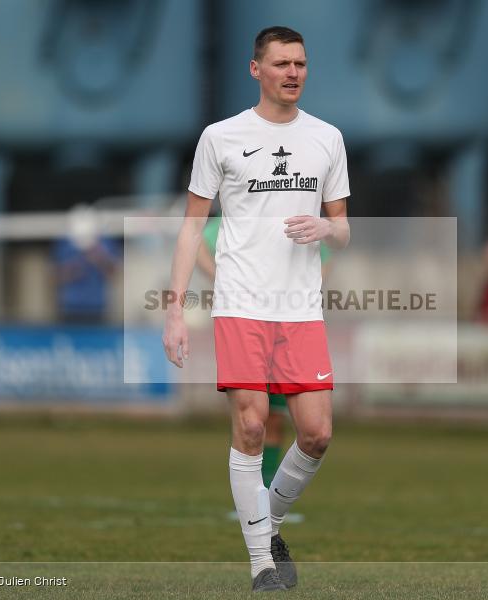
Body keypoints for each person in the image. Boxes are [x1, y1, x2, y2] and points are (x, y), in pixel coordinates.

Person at [162, 26, 350, 592]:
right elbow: (191, 226)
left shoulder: (327, 138)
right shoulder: (220, 137)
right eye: (282, 63)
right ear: (256, 69)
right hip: (241, 302)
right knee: (249, 424)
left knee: (316, 434)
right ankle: (261, 566)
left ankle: (266, 524)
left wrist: (326, 227)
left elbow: (342, 229)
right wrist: (175, 310)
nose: (293, 73)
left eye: (301, 63)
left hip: (300, 309)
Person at [197, 214, 333, 497]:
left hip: (287, 329)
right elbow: (197, 242)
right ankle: (252, 501)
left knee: (277, 418)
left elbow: (325, 255)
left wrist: (300, 289)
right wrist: (222, 277)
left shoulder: (293, 215)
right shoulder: (237, 215)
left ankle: (267, 494)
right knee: (250, 420)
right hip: (246, 324)